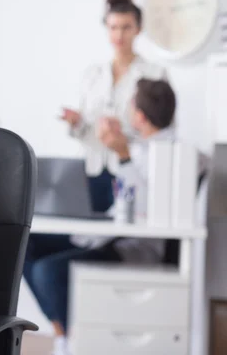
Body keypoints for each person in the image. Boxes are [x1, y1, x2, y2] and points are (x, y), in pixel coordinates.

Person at [24, 78, 178, 355]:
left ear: (140, 116)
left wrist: (122, 154)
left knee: (47, 271)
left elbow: (139, 209)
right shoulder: (143, 145)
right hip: (107, 236)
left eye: (131, 106)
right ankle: (61, 329)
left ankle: (71, 340)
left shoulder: (166, 154)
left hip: (129, 247)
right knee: (24, 244)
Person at [60, 0, 167, 213]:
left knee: (124, 228)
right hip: (95, 169)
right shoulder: (92, 75)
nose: (119, 35)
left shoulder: (154, 75)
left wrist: (122, 135)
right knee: (93, 231)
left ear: (138, 29)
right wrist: (77, 123)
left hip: (130, 169)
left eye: (126, 27)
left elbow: (162, 131)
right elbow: (84, 130)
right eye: (113, 27)